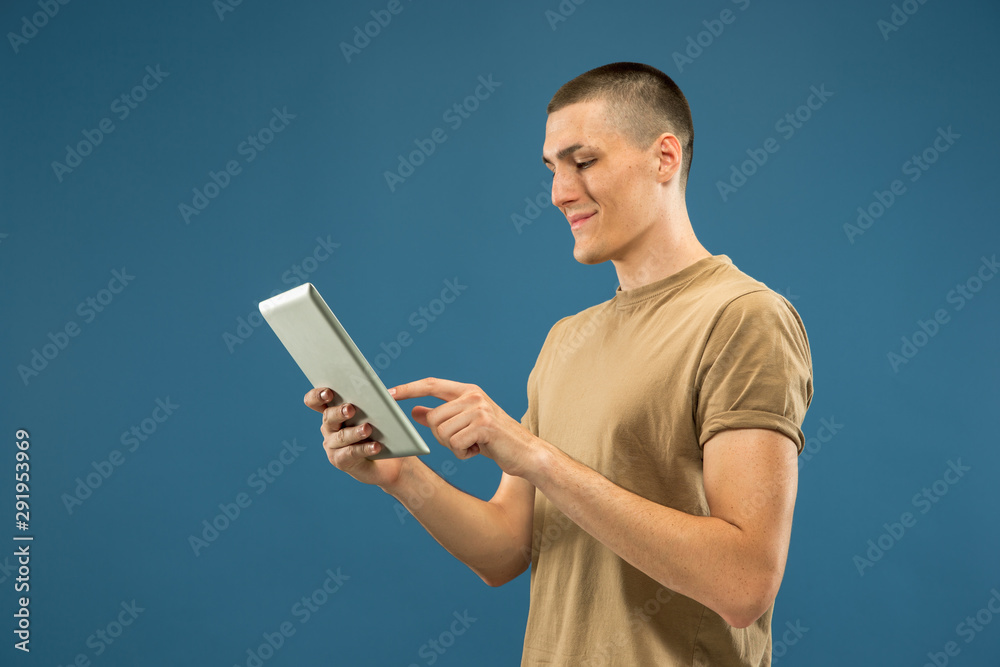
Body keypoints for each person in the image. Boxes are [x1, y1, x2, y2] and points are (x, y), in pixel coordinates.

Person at [304, 62, 813, 666]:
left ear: (665, 158)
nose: (559, 192)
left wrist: (538, 457)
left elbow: (744, 585)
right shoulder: (566, 340)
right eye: (552, 169)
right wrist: (401, 476)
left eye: (584, 161)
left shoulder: (743, 316)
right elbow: (505, 552)